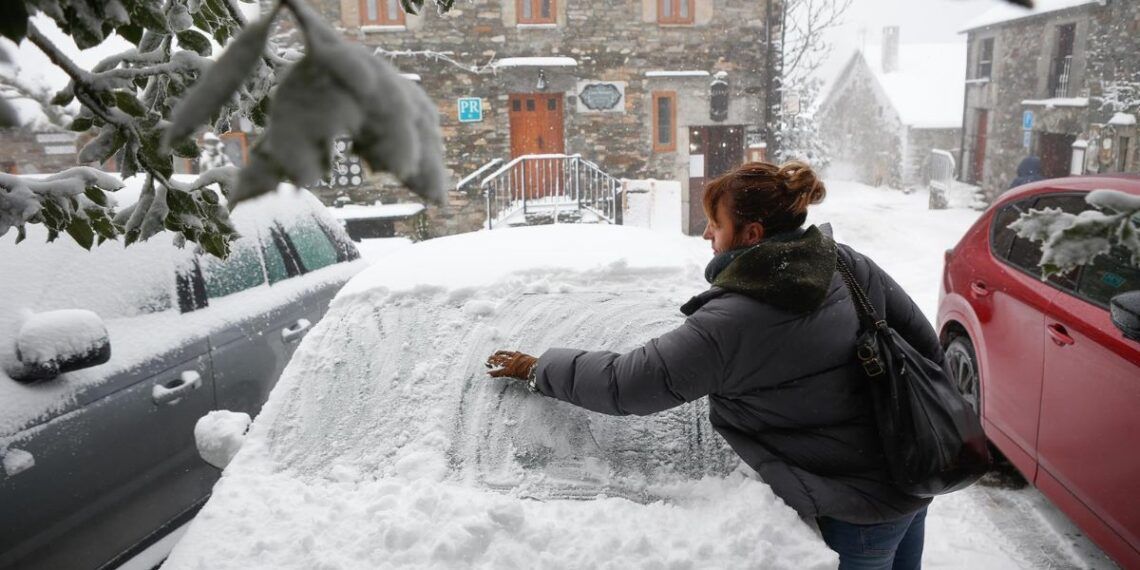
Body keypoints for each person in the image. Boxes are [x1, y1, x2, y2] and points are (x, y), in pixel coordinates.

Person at [486, 160, 939, 569]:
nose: (706, 234)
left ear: (752, 234)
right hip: (910, 476)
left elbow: (628, 385)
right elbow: (922, 343)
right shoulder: (844, 263)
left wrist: (537, 367)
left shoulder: (733, 322)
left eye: (714, 223)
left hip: (855, 511)